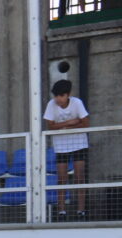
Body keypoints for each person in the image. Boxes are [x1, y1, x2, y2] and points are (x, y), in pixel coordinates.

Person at [43, 80, 90, 222]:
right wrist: (70, 123)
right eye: (56, 96)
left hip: (79, 144)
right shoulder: (51, 105)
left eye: (61, 95)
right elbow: (50, 126)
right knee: (62, 178)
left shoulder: (77, 103)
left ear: (68, 95)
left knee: (79, 177)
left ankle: (81, 210)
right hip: (61, 146)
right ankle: (61, 210)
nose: (58, 99)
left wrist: (62, 127)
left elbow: (86, 123)